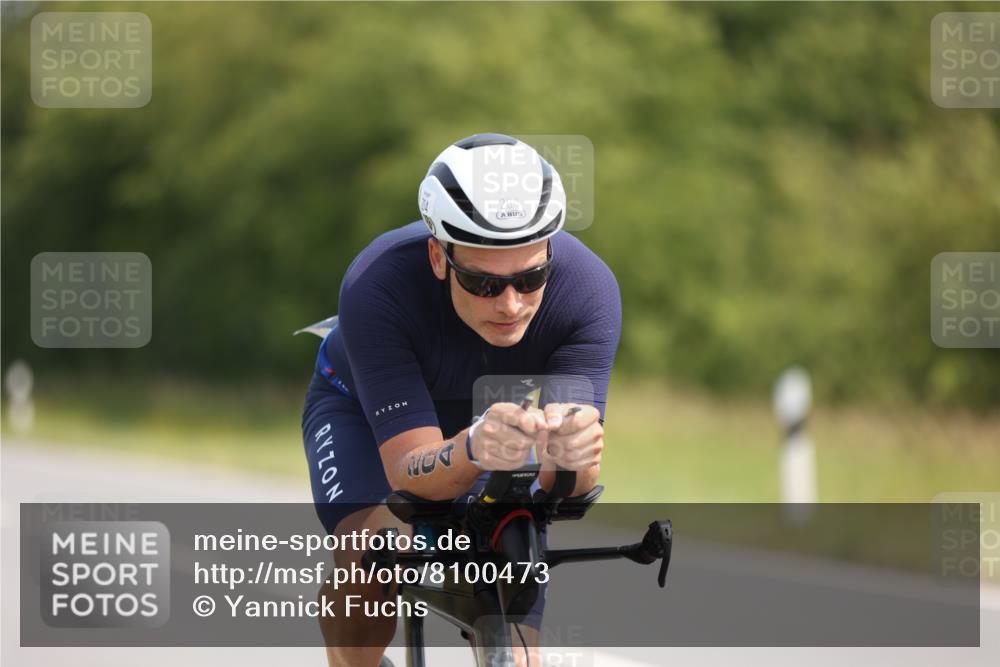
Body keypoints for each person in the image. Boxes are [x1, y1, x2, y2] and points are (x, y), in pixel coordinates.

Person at [301, 133, 622, 667]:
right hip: (364, 415)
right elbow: (409, 471)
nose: (512, 305)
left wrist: (571, 458)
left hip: (493, 428)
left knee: (515, 610)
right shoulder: (377, 283)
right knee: (371, 552)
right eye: (483, 283)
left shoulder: (587, 292)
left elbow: (569, 487)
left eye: (532, 277)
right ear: (438, 256)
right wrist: (472, 447)